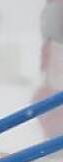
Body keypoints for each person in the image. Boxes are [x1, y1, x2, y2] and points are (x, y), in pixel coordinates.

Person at [39, 0, 63, 138]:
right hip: (53, 54)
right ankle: (56, 139)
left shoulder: (57, 6)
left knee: (52, 99)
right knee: (49, 99)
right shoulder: (52, 7)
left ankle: (57, 141)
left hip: (57, 52)